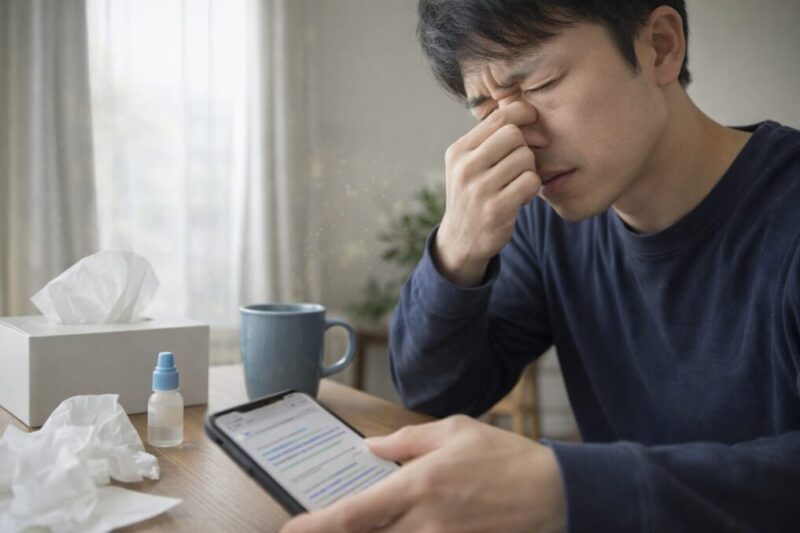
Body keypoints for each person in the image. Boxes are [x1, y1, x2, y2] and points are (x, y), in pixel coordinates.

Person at [284, 1, 800, 531]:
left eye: (540, 84)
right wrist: (457, 249)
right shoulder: (546, 223)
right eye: (486, 109)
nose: (517, 136)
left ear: (660, 47)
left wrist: (568, 487)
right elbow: (437, 393)